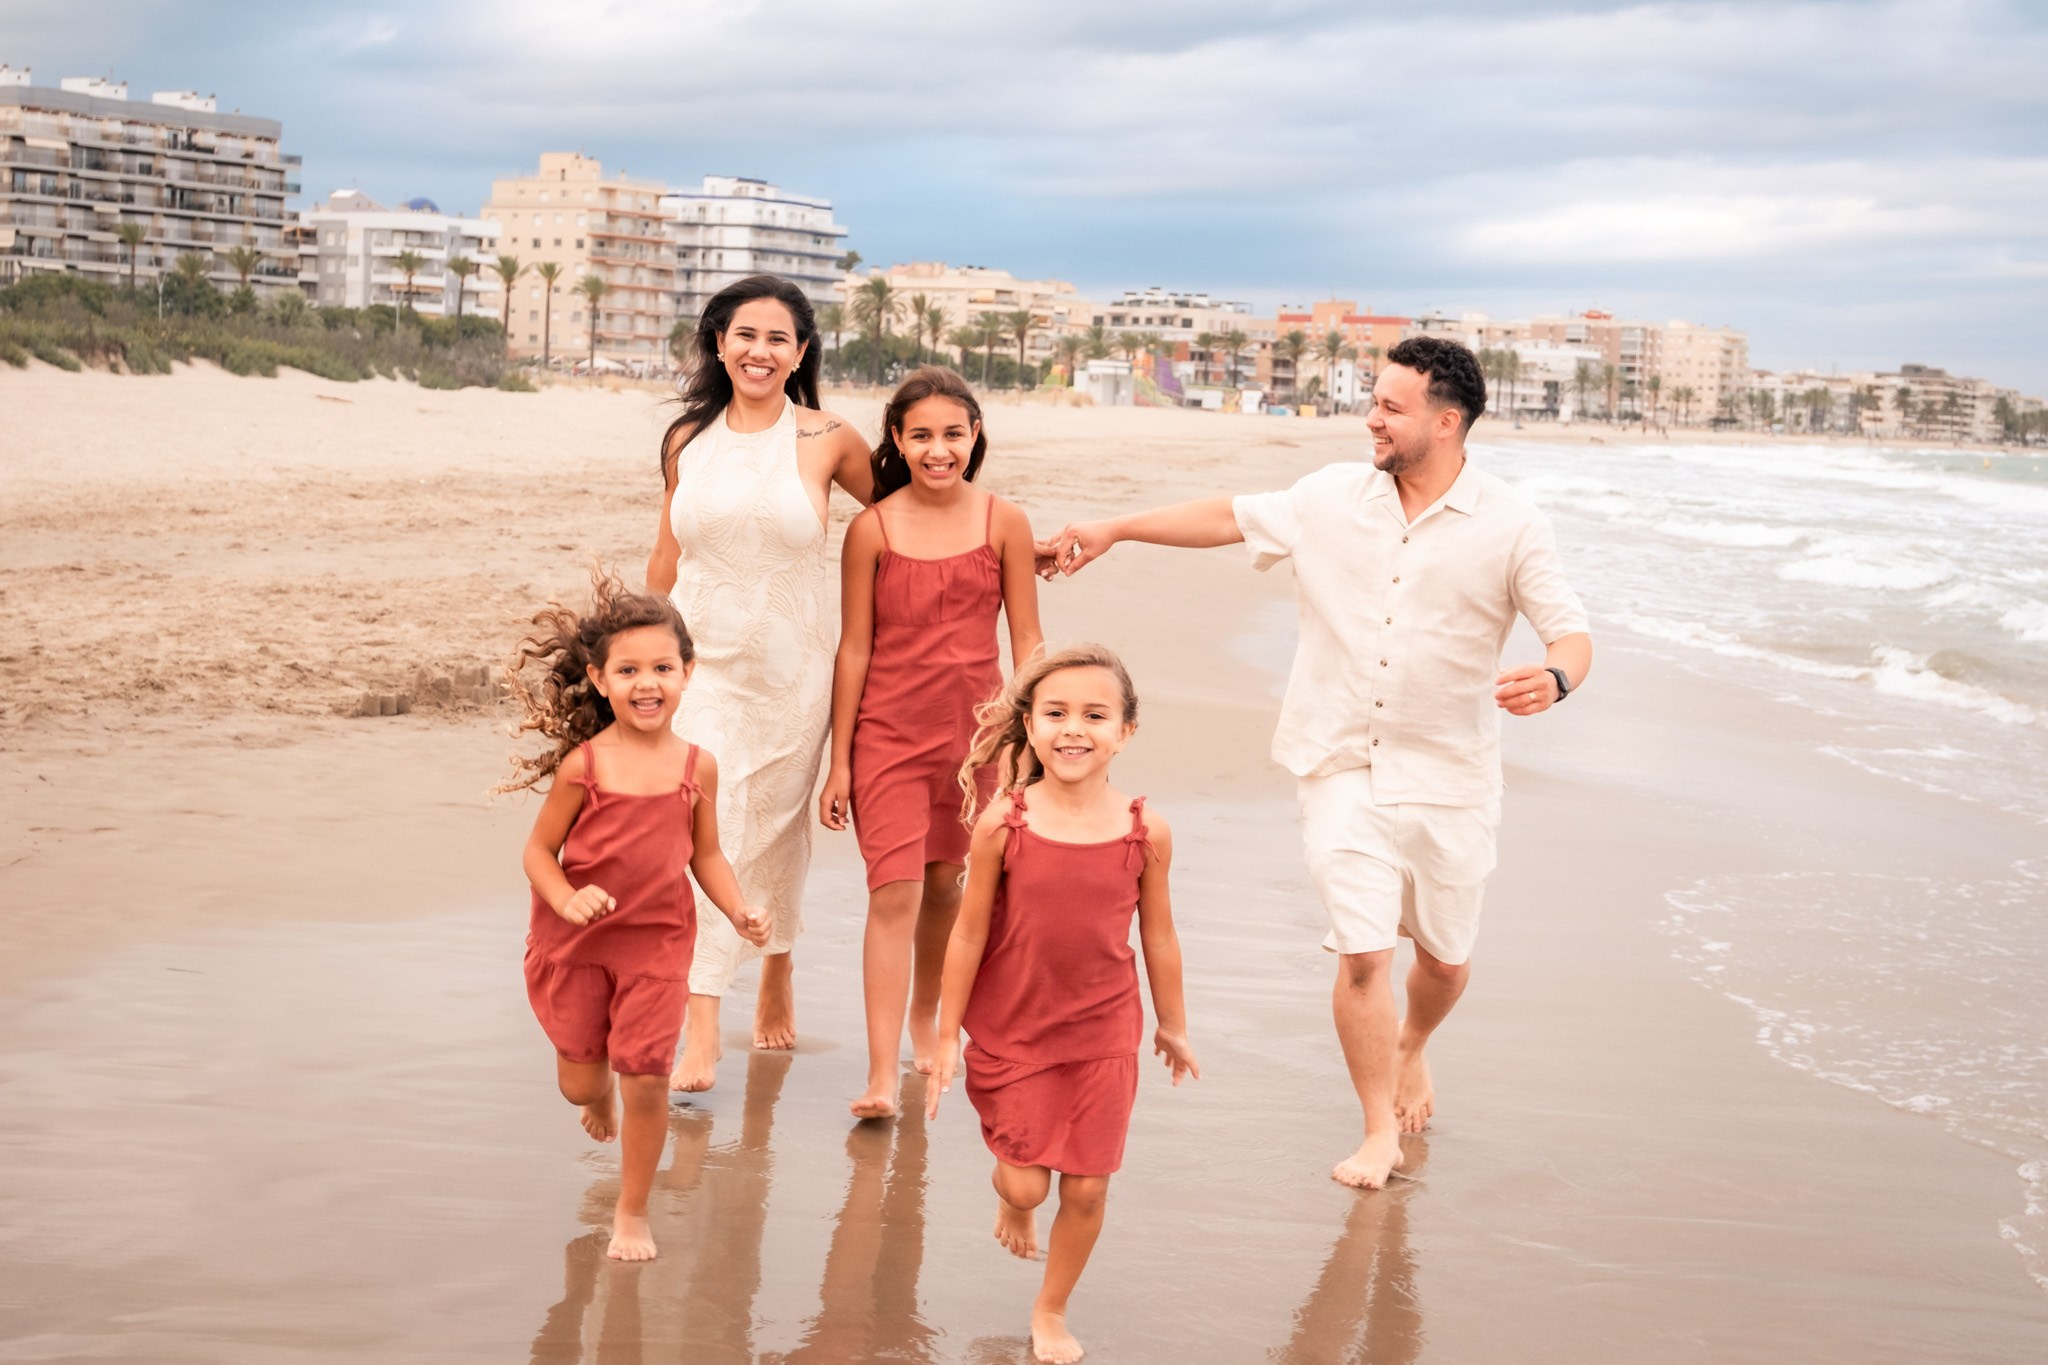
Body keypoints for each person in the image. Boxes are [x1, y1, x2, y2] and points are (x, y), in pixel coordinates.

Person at [1044, 336, 1592, 1191]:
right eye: (1372, 400)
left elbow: (1572, 631)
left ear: (1446, 423)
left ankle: (1412, 1042)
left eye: (1391, 406)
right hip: (1339, 760)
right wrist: (1116, 528)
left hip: (1451, 774)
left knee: (1443, 962)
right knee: (1364, 953)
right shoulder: (1331, 496)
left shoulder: (1513, 525)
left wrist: (1554, 677)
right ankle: (1377, 1129)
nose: (1371, 418)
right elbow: (1227, 517)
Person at [928, 645, 1198, 1365]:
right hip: (1013, 1029)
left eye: (1094, 714)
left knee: (1084, 1188)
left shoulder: (1147, 831)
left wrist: (1172, 1023)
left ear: (1126, 731)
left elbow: (1161, 936)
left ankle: (1050, 1308)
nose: (1073, 729)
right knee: (1025, 1181)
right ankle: (1011, 1198)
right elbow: (968, 931)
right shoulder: (1004, 822)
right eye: (1055, 713)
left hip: (1104, 1031)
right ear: (1030, 723)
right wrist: (945, 1031)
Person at [647, 275, 874, 1093]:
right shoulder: (686, 440)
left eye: (779, 339)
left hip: (793, 669)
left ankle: (775, 955)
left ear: (802, 353)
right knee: (712, 829)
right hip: (701, 666)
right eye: (746, 335)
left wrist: (1004, 555)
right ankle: (702, 1015)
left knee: (771, 825)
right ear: (718, 344)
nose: (760, 351)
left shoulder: (829, 439)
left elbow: (907, 519)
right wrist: (638, 651)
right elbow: (668, 555)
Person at [502, 570, 771, 1260]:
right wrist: (565, 897)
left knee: (647, 1075)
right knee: (580, 1083)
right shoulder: (583, 767)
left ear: (688, 672)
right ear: (598, 678)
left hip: (656, 945)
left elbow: (704, 854)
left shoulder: (697, 768)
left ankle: (631, 1210)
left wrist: (739, 909)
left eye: (661, 667)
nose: (646, 682)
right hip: (577, 944)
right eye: (628, 669)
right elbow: (537, 851)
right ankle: (596, 1095)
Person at [819, 367, 1043, 1120]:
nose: (938, 449)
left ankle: (927, 1016)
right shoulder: (871, 528)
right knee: (896, 890)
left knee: (947, 883)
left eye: (953, 433)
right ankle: (882, 1073)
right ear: (896, 439)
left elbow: (1029, 642)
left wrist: (1030, 749)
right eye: (921, 435)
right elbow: (853, 649)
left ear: (976, 435)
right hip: (887, 735)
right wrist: (839, 761)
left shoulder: (1004, 521)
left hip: (976, 742)